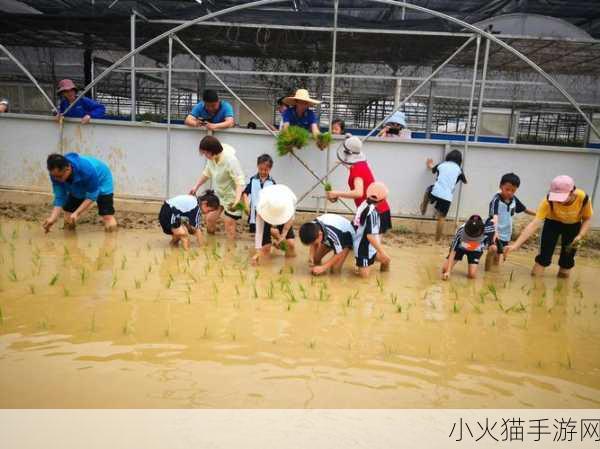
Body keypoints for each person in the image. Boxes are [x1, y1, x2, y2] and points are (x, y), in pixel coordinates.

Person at [505, 175, 593, 278]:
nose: (558, 201)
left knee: (567, 260)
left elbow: (587, 218)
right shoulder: (548, 200)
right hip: (552, 223)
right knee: (544, 257)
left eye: (561, 198)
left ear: (572, 192)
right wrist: (516, 245)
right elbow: (534, 224)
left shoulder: (583, 198)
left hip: (573, 226)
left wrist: (580, 235)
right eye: (556, 197)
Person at [327, 135, 392, 233]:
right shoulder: (360, 164)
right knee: (363, 243)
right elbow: (354, 170)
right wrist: (343, 163)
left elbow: (358, 193)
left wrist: (336, 193)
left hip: (373, 212)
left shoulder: (356, 169)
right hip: (376, 209)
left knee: (363, 243)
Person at [43, 152, 117, 233]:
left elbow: (92, 195)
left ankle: (111, 240)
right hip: (77, 184)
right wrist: (53, 218)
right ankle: (70, 241)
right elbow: (60, 197)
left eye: (59, 176)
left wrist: (77, 213)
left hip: (102, 180)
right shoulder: (55, 174)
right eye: (54, 176)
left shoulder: (86, 171)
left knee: (107, 216)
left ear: (68, 168)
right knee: (68, 214)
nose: (57, 179)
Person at [188, 136, 245, 240]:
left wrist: (237, 200)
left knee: (229, 223)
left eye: (206, 153)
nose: (205, 155)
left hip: (232, 197)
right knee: (209, 219)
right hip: (219, 195)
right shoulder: (211, 159)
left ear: (212, 150)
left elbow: (239, 182)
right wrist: (195, 187)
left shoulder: (230, 160)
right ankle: (211, 243)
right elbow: (207, 173)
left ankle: (230, 251)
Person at [485, 173, 536, 270]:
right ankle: (487, 270)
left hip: (506, 232)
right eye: (507, 189)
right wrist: (495, 232)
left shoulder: (514, 200)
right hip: (494, 229)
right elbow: (494, 217)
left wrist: (538, 214)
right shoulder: (496, 200)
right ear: (501, 186)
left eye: (513, 190)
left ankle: (493, 275)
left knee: (498, 256)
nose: (510, 192)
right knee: (493, 249)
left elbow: (525, 209)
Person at [420, 150, 467, 241]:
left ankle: (423, 208)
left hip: (435, 191)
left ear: (448, 157)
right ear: (460, 160)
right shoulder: (459, 170)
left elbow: (432, 168)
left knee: (427, 191)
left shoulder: (442, 164)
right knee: (441, 218)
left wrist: (430, 164)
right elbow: (465, 181)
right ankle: (437, 239)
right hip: (447, 197)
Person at [252, 184, 297, 265]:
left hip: (283, 212)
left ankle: (274, 233)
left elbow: (290, 219)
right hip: (266, 211)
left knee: (290, 244)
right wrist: (258, 252)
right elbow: (259, 232)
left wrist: (283, 236)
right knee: (265, 249)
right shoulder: (261, 206)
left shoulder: (291, 201)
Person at [353, 182, 392, 277]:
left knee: (386, 260)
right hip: (364, 250)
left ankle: (384, 276)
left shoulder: (363, 204)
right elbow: (370, 236)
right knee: (364, 279)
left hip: (366, 246)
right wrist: (382, 252)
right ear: (383, 200)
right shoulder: (373, 213)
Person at [442, 214, 495, 280]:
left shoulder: (487, 229)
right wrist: (448, 272)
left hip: (476, 249)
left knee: (472, 275)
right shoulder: (461, 231)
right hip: (461, 247)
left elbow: (494, 225)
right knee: (444, 269)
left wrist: (492, 243)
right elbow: (453, 252)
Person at [243, 154, 276, 233]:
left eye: (266, 170)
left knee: (265, 232)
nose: (263, 172)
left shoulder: (272, 182)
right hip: (254, 213)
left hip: (266, 213)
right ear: (257, 166)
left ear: (270, 169)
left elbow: (274, 198)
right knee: (253, 232)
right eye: (261, 169)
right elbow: (245, 193)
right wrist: (246, 206)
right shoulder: (253, 180)